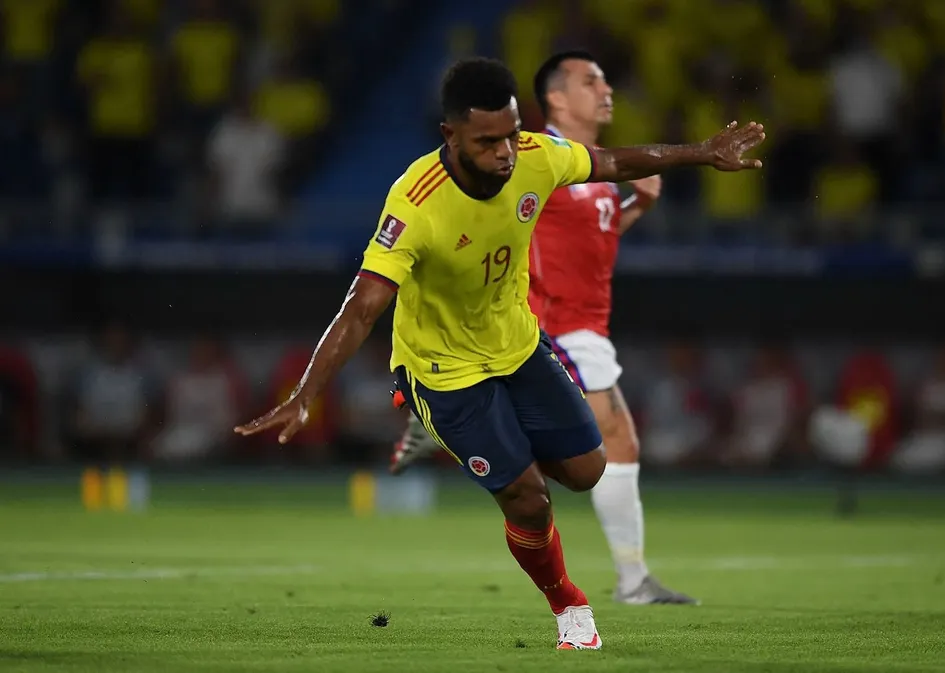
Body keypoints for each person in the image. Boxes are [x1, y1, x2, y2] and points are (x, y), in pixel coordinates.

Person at [235, 57, 765, 650]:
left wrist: (703, 152)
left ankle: (496, 444)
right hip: (444, 372)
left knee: (587, 471)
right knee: (528, 498)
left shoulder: (536, 156)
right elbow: (362, 306)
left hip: (517, 345)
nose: (505, 153)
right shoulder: (415, 201)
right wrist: (307, 393)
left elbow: (614, 163)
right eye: (488, 142)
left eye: (510, 135)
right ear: (451, 136)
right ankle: (569, 603)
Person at [390, 51, 698, 606]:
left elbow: (585, 250)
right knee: (617, 438)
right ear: (555, 97)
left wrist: (634, 210)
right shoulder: (525, 157)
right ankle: (632, 579)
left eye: (606, 78)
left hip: (583, 322)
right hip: (548, 325)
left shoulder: (586, 173)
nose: (607, 89)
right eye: (590, 80)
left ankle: (447, 425)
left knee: (594, 458)